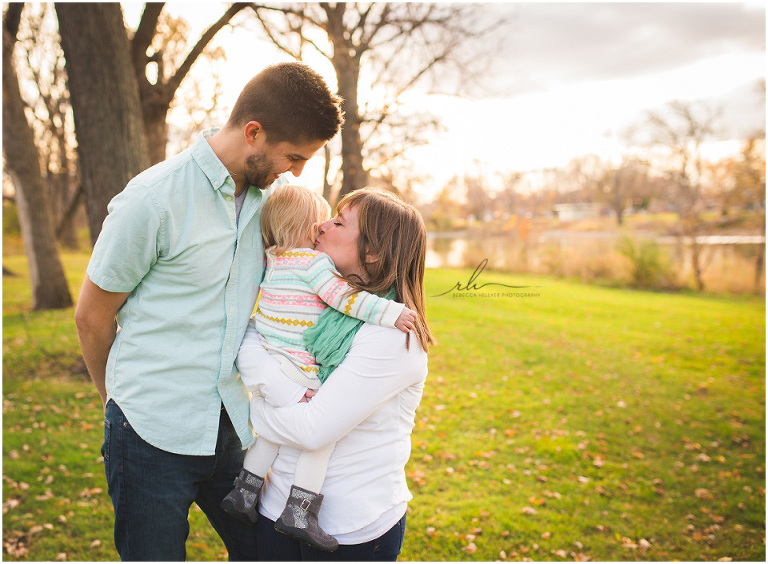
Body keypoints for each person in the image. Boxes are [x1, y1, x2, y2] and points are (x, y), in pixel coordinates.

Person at [73, 62, 344, 561]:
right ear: (254, 133)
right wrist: (119, 407)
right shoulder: (153, 200)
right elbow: (91, 317)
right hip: (148, 431)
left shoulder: (273, 207)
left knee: (271, 553)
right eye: (293, 156)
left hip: (232, 427)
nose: (298, 171)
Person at [236, 187, 437, 561]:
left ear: (373, 252)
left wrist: (260, 409)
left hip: (346, 528)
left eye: (339, 221)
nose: (322, 225)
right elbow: (252, 335)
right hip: (274, 505)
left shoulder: (392, 335)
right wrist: (282, 391)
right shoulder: (315, 303)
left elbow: (314, 430)